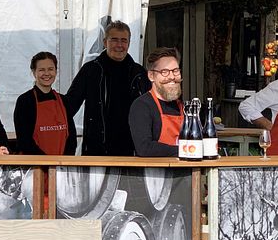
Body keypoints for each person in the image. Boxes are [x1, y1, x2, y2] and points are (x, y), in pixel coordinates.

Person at [66, 20, 151, 156]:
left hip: (132, 150)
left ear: (129, 43)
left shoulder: (139, 73)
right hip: (97, 150)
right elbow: (69, 106)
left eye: (124, 40)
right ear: (105, 42)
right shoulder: (90, 70)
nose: (119, 45)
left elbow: (151, 110)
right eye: (114, 40)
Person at [13, 52, 77, 155]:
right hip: (35, 166)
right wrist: (47, 164)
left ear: (56, 71)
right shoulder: (25, 101)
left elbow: (71, 138)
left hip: (61, 166)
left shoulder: (63, 101)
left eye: (51, 69)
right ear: (34, 72)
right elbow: (24, 141)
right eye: (41, 70)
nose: (47, 73)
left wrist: (62, 165)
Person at [129, 47, 183, 157]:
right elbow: (144, 148)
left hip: (185, 172)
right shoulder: (142, 106)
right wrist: (185, 151)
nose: (172, 77)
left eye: (175, 71)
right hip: (155, 173)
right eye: (165, 72)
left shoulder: (183, 106)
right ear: (151, 76)